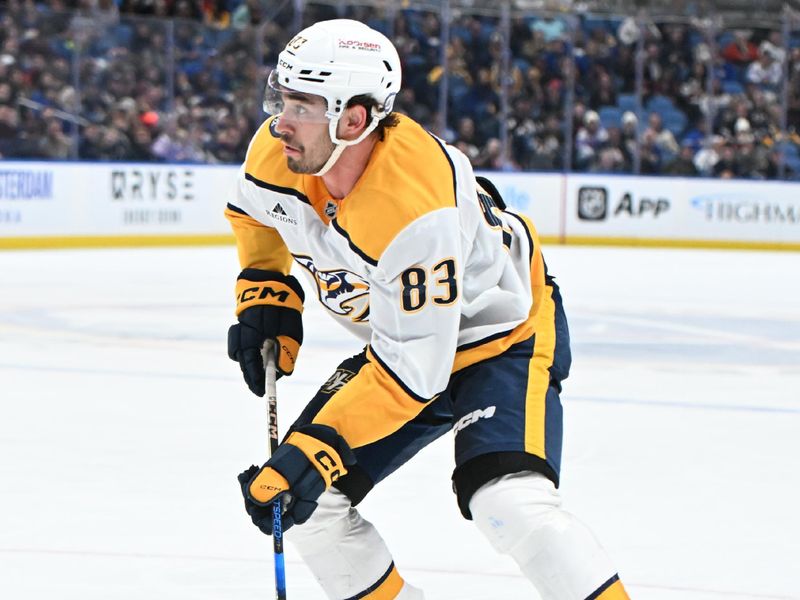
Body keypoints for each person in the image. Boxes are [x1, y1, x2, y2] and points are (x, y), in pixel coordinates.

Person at [226, 19, 629, 600]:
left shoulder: (415, 209)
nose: (280, 121)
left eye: (303, 104)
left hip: (501, 335)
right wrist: (265, 287)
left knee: (507, 502)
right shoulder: (279, 150)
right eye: (282, 97)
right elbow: (255, 216)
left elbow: (414, 373)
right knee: (303, 505)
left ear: (353, 119)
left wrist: (319, 445)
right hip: (404, 346)